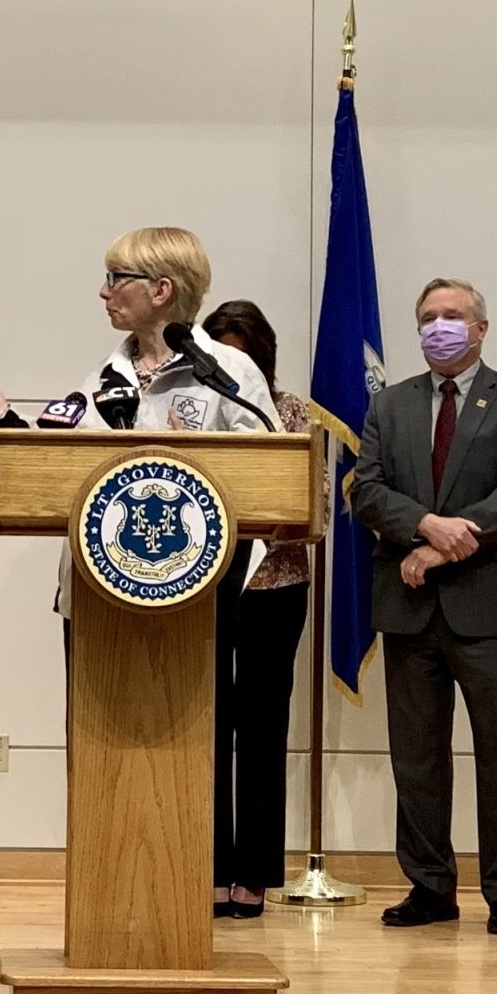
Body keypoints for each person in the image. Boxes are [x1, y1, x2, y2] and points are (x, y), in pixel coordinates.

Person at [0, 228, 277, 918]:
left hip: (197, 598)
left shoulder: (228, 374)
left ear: (160, 291)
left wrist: (203, 462)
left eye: (116, 276)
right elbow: (55, 459)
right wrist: (3, 417)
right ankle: (111, 888)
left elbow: (270, 477)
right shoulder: (105, 378)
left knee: (199, 735)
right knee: (103, 736)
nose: (103, 291)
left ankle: (197, 878)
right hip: (104, 597)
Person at [348, 277, 497, 936]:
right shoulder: (390, 406)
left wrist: (441, 546)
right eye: (430, 317)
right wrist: (427, 527)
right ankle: (430, 885)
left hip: (493, 605)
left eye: (454, 315)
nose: (441, 326)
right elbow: (368, 491)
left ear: (481, 327)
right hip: (409, 608)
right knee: (416, 756)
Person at [200, 299, 315, 919]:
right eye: (220, 349)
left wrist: (261, 520)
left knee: (264, 726)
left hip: (275, 583)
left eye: (242, 350)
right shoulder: (194, 409)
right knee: (210, 724)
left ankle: (256, 873)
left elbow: (313, 500)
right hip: (202, 588)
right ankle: (212, 866)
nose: (231, 360)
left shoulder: (291, 411)